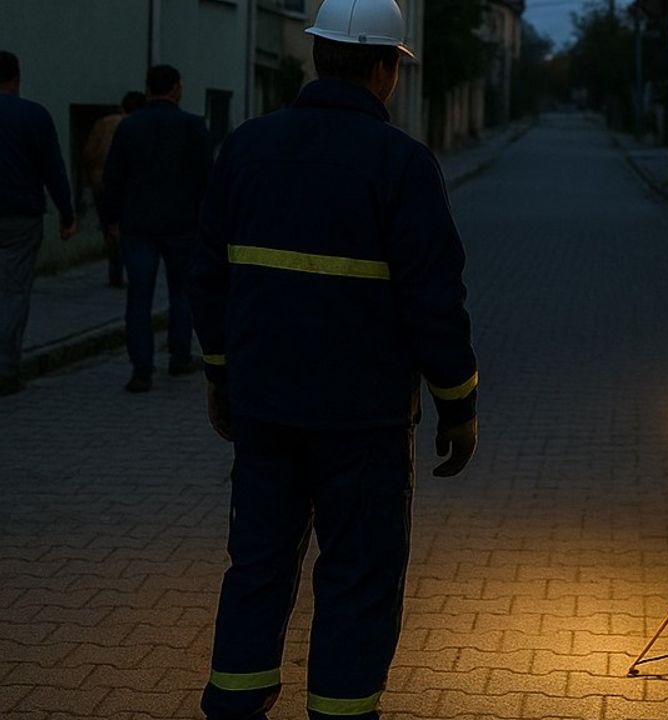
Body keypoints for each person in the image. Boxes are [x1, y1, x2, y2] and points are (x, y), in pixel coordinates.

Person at [189, 0, 479, 717]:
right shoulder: (403, 164)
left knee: (256, 567)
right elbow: (434, 302)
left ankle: (233, 706)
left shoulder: (247, 148)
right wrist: (459, 402)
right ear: (385, 71)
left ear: (318, 56)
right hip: (365, 423)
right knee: (357, 579)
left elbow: (208, 278)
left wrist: (221, 378)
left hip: (264, 410)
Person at [101, 64, 211, 393]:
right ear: (176, 88)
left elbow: (113, 177)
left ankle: (141, 369)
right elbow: (207, 178)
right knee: (181, 293)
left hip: (138, 224)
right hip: (182, 224)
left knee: (139, 296)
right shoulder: (192, 126)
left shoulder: (129, 126)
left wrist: (110, 220)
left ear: (148, 89)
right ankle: (179, 356)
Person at [0, 50, 77, 396]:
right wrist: (67, 213)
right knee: (13, 293)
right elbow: (53, 168)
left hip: (20, 211)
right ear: (16, 77)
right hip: (20, 214)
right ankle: (5, 368)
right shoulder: (33, 116)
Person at [83, 90, 146, 287]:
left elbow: (88, 153)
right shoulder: (136, 125)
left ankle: (115, 270)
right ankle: (129, 270)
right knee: (130, 230)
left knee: (109, 228)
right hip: (125, 184)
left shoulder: (103, 123)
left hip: (99, 182)